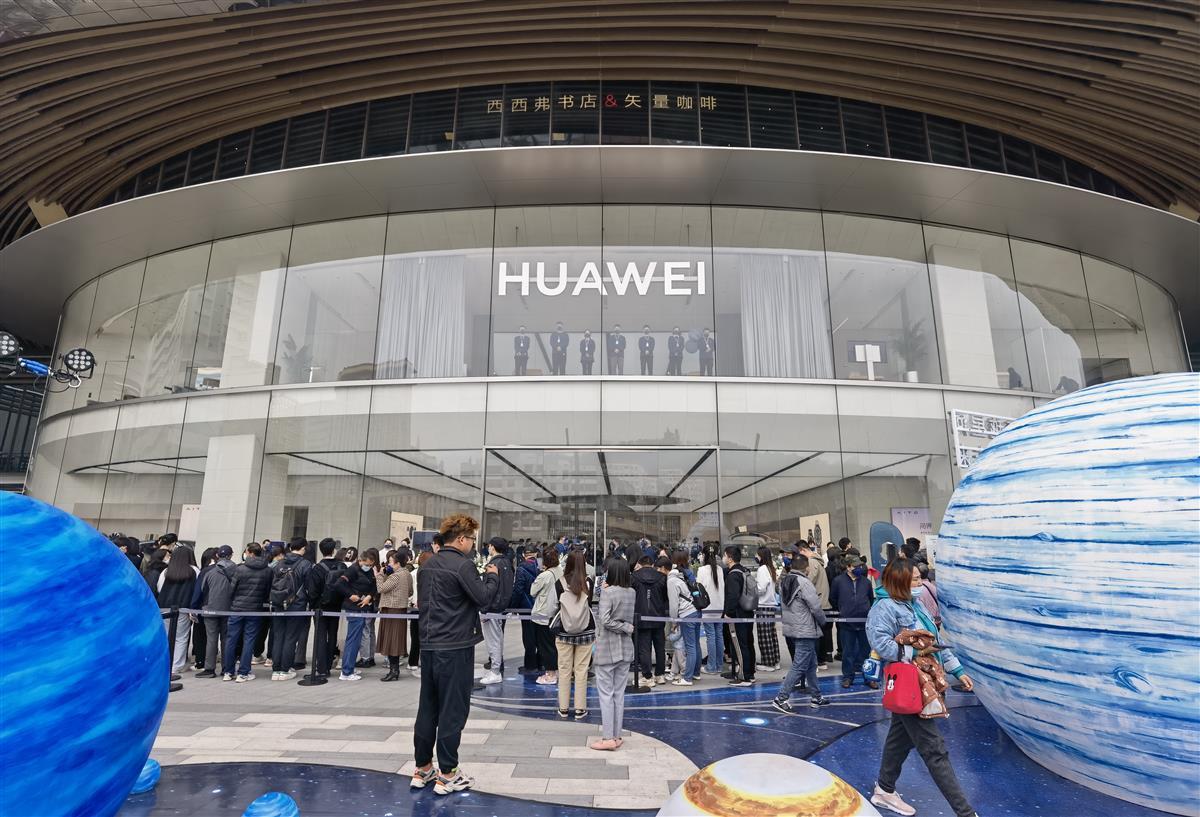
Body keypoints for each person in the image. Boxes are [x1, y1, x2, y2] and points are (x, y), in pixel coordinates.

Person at [866, 557, 977, 817]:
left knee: (899, 739)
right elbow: (881, 644)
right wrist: (914, 653)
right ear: (900, 581)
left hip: (925, 682)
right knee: (934, 749)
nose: (920, 583)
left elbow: (935, 643)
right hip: (911, 686)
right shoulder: (884, 608)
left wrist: (958, 670)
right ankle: (966, 812)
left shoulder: (916, 605)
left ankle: (884, 789)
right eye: (915, 579)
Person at [410, 513, 500, 796]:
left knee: (428, 707)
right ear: (461, 539)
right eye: (472, 539)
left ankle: (423, 767)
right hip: (455, 646)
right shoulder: (463, 566)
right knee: (453, 709)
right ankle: (448, 772)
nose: (473, 544)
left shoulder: (428, 565)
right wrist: (492, 577)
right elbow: (483, 598)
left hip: (429, 644)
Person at [773, 553, 830, 712]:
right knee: (799, 666)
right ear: (807, 568)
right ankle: (781, 698)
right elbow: (815, 607)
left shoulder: (784, 581)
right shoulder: (804, 583)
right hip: (806, 629)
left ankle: (816, 696)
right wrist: (823, 621)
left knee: (811, 664)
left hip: (793, 628)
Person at [590, 556, 635, 751]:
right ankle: (616, 736)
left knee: (606, 695)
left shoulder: (607, 593)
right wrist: (626, 627)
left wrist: (624, 627)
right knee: (618, 694)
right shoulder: (631, 592)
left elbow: (604, 620)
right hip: (625, 648)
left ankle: (608, 737)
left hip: (607, 648)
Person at [554, 551, 595, 719]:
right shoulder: (588, 582)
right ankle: (580, 709)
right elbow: (589, 604)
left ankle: (563, 708)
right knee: (581, 671)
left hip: (564, 631)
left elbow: (557, 605)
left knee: (564, 670)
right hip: (586, 631)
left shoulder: (560, 582)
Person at [224, 542, 271, 682]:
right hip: (255, 609)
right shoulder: (267, 570)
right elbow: (267, 591)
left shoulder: (240, 569)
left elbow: (231, 590)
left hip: (237, 608)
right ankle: (243, 672)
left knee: (231, 639)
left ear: (249, 552)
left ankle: (228, 671)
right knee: (249, 640)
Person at [269, 539, 313, 682]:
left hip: (278, 603)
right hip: (296, 605)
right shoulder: (305, 564)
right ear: (303, 548)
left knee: (278, 636)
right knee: (291, 637)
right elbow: (309, 587)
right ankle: (285, 669)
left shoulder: (279, 563)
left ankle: (276, 669)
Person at [830, 554, 875, 689]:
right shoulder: (838, 581)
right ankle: (848, 677)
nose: (859, 568)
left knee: (866, 652)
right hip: (846, 623)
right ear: (848, 567)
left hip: (864, 623)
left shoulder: (866, 582)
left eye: (860, 565)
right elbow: (833, 599)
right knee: (847, 652)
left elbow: (870, 599)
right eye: (856, 566)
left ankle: (869, 677)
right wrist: (843, 610)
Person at [333, 550, 377, 681]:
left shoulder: (369, 571)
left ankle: (350, 667)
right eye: (367, 564)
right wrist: (350, 595)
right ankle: (346, 672)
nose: (368, 567)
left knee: (356, 640)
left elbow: (373, 586)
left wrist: (369, 596)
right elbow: (339, 584)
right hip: (354, 609)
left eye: (371, 565)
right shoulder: (353, 570)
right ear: (360, 560)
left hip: (363, 607)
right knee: (353, 640)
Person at [158, 546, 200, 675]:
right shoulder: (194, 570)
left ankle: (165, 663)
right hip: (183, 607)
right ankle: (177, 665)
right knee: (181, 637)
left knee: (166, 635)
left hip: (164, 607)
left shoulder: (166, 571)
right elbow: (197, 590)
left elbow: (159, 588)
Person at [479, 537, 515, 685]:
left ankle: (495, 671)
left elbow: (490, 588)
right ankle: (496, 669)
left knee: (493, 641)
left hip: (492, 607)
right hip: (501, 606)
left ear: (493, 547)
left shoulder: (493, 564)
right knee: (497, 639)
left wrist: (484, 608)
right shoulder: (507, 563)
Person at [196, 545, 235, 678]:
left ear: (217, 556)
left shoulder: (209, 571)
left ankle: (209, 669)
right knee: (226, 639)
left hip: (210, 609)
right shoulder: (237, 570)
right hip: (229, 609)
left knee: (211, 639)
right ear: (231, 555)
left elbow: (202, 589)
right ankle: (227, 668)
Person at [307, 538, 343, 679]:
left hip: (320, 608)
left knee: (320, 636)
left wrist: (314, 605)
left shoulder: (317, 568)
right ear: (334, 550)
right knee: (332, 635)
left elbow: (312, 591)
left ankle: (321, 667)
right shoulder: (341, 566)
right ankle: (328, 665)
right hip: (336, 606)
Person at [632, 555, 669, 687]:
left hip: (641, 617)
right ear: (652, 564)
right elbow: (665, 597)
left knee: (644, 648)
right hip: (658, 616)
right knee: (660, 647)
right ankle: (660, 675)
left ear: (639, 563)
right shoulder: (662, 577)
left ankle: (647, 676)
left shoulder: (634, 577)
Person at [377, 548, 413, 681]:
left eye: (391, 562)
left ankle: (394, 671)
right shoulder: (407, 574)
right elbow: (410, 591)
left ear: (397, 563)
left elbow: (381, 588)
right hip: (401, 610)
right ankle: (394, 670)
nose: (389, 564)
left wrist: (380, 575)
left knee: (391, 640)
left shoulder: (395, 576)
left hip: (391, 610)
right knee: (396, 640)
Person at [722, 545, 755, 686]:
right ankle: (750, 673)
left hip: (737, 614)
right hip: (747, 611)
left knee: (740, 645)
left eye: (725, 555)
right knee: (748, 643)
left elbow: (733, 596)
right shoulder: (744, 570)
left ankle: (743, 676)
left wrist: (728, 613)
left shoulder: (733, 575)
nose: (723, 558)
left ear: (730, 558)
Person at [797, 542, 834, 667]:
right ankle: (821, 660)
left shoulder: (812, 562)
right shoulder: (817, 561)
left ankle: (818, 661)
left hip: (817, 602)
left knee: (816, 634)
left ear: (803, 550)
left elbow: (808, 582)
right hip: (821, 601)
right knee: (821, 634)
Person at [530, 547, 563, 685]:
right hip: (556, 613)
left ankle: (550, 674)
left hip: (542, 614)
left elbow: (532, 591)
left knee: (545, 646)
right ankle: (555, 671)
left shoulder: (544, 575)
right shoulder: (561, 571)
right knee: (554, 645)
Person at [667, 552, 701, 685]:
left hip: (687, 613)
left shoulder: (672, 580)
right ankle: (695, 672)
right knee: (695, 644)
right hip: (696, 610)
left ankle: (687, 678)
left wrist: (674, 621)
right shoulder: (687, 574)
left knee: (690, 646)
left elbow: (673, 604)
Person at [696, 545, 724, 674]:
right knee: (719, 635)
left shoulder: (702, 570)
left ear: (704, 555)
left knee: (711, 636)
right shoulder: (720, 569)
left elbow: (699, 588)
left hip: (708, 607)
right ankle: (719, 665)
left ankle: (711, 666)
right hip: (719, 606)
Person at [409, 548, 436, 676]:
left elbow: (411, 591)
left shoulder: (415, 573)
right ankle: (419, 661)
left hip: (417, 607)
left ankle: (413, 661)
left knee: (416, 636)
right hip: (424, 607)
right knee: (424, 636)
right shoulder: (428, 573)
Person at [754, 546, 780, 672]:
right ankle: (775, 660)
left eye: (757, 555)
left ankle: (768, 663)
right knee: (771, 634)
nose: (756, 557)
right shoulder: (770, 568)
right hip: (771, 604)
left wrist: (753, 589)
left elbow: (761, 588)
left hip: (763, 605)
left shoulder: (762, 569)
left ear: (761, 556)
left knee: (764, 636)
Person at [514, 547, 540, 673]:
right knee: (539, 635)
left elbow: (518, 589)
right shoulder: (541, 568)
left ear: (524, 555)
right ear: (536, 555)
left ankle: (530, 665)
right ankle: (541, 663)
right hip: (539, 607)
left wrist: (514, 605)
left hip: (526, 607)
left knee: (528, 636)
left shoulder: (521, 569)